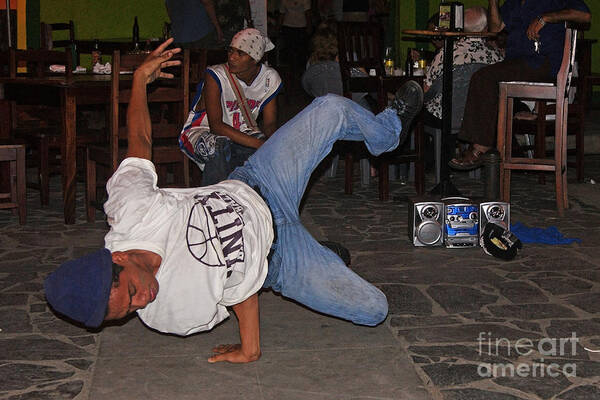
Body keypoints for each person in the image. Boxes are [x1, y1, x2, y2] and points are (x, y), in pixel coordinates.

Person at [44, 38, 424, 364]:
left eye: (130, 292)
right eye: (127, 312)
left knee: (329, 107)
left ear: (119, 258)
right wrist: (250, 349)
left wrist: (140, 82)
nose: (142, 301)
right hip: (277, 260)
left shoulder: (131, 210)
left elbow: (139, 143)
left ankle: (388, 131)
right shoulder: (170, 315)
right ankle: (318, 256)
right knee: (374, 310)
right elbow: (239, 288)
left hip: (259, 182)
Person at [449, 0, 591, 170]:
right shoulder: (514, 3)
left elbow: (584, 15)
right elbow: (495, 28)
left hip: (545, 61)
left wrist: (545, 18)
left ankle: (480, 148)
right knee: (485, 76)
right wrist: (493, 2)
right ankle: (492, 147)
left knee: (484, 77)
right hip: (518, 62)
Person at [179, 28, 282, 186]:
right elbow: (216, 126)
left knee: (264, 153)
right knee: (218, 147)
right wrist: (260, 144)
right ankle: (215, 200)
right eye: (231, 51)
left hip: (243, 132)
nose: (232, 57)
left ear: (255, 59)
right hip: (202, 130)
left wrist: (273, 144)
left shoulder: (269, 79)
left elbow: (269, 123)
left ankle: (251, 200)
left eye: (240, 53)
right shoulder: (216, 76)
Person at [423, 6, 504, 129]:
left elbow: (427, 89)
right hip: (481, 116)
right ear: (486, 28)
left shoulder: (447, 53)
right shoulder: (495, 56)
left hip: (446, 116)